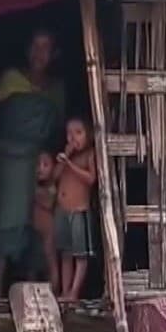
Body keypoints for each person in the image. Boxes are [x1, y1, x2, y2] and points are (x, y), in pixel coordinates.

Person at [0, 30, 66, 297]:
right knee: (7, 220)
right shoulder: (12, 79)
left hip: (39, 162)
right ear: (28, 50)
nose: (40, 54)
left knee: (39, 223)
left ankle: (35, 287)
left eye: (46, 48)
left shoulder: (56, 90)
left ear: (53, 55)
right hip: (10, 160)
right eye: (36, 47)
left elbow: (60, 129)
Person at [54, 118, 97, 301]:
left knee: (80, 254)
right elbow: (54, 176)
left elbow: (91, 179)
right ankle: (65, 291)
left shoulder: (90, 155)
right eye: (69, 133)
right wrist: (65, 157)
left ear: (89, 134)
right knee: (65, 253)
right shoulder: (67, 157)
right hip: (63, 210)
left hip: (79, 210)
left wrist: (71, 166)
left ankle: (74, 291)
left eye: (78, 133)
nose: (73, 138)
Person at [31, 151, 60, 293]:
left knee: (51, 263)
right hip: (35, 231)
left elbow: (48, 203)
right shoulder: (35, 187)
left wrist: (34, 193)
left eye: (45, 165)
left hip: (49, 231)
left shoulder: (52, 188)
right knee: (33, 264)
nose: (40, 168)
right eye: (38, 164)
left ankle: (53, 292)